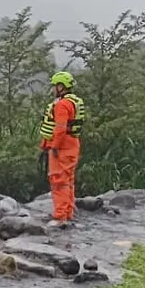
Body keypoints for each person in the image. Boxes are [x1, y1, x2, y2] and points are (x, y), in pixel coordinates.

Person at [39, 70, 86, 226]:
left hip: (62, 146)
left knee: (58, 181)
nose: (53, 89)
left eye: (54, 86)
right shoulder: (74, 102)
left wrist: (54, 147)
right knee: (69, 180)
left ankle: (60, 217)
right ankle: (68, 212)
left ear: (61, 87)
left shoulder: (62, 105)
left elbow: (59, 128)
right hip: (72, 144)